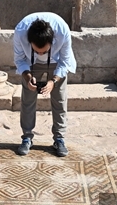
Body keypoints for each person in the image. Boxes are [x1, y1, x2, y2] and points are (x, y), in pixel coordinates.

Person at [13, 12, 75, 157]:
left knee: (59, 100)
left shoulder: (62, 30)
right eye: (37, 51)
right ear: (29, 42)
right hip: (30, 63)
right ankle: (27, 137)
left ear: (52, 41)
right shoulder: (20, 31)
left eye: (44, 51)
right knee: (27, 100)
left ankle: (59, 139)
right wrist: (28, 77)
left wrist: (53, 81)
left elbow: (65, 62)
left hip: (56, 62)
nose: (41, 54)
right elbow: (19, 59)